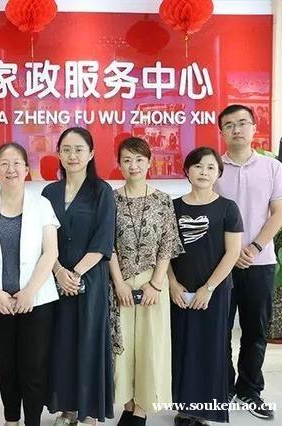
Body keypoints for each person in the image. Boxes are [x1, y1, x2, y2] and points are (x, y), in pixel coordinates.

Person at [0, 143, 59, 426]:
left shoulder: (41, 205)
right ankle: (11, 419)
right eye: (4, 164)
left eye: (17, 163)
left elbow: (50, 252)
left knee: (34, 368)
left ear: (26, 169)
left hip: (37, 301)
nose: (11, 169)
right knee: (6, 366)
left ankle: (32, 420)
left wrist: (30, 292)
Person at [42, 127, 115, 425]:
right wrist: (59, 272)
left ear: (91, 154)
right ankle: (67, 409)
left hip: (91, 280)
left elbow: (103, 240)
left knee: (89, 342)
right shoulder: (49, 193)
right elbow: (43, 239)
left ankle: (89, 412)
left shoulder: (102, 191)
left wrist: (75, 273)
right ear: (59, 154)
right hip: (55, 280)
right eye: (66, 149)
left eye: (79, 149)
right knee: (61, 343)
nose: (72, 155)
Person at [108, 137, 183, 426]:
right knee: (122, 346)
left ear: (149, 162)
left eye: (139, 159)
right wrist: (119, 283)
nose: (133, 165)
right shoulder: (110, 199)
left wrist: (155, 284)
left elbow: (167, 244)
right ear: (119, 164)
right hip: (120, 284)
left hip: (153, 283)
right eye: (127, 160)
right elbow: (107, 245)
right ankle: (127, 405)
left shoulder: (162, 200)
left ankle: (141, 410)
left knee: (151, 345)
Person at [214, 104, 282, 420]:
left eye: (242, 123)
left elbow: (278, 213)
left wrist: (253, 247)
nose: (236, 129)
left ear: (254, 127)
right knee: (221, 329)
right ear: (222, 132)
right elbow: (210, 214)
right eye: (229, 125)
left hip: (261, 261)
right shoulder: (214, 167)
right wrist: (231, 251)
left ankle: (250, 389)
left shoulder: (273, 168)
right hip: (221, 264)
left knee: (255, 330)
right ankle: (224, 385)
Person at [169, 147, 243, 425]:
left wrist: (208, 288)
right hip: (178, 291)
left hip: (214, 292)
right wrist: (172, 284)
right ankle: (183, 409)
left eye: (211, 167)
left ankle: (205, 412)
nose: (204, 172)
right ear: (187, 171)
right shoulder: (173, 207)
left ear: (218, 173)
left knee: (211, 349)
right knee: (181, 347)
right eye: (198, 166)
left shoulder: (227, 208)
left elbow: (232, 253)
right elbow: (164, 253)